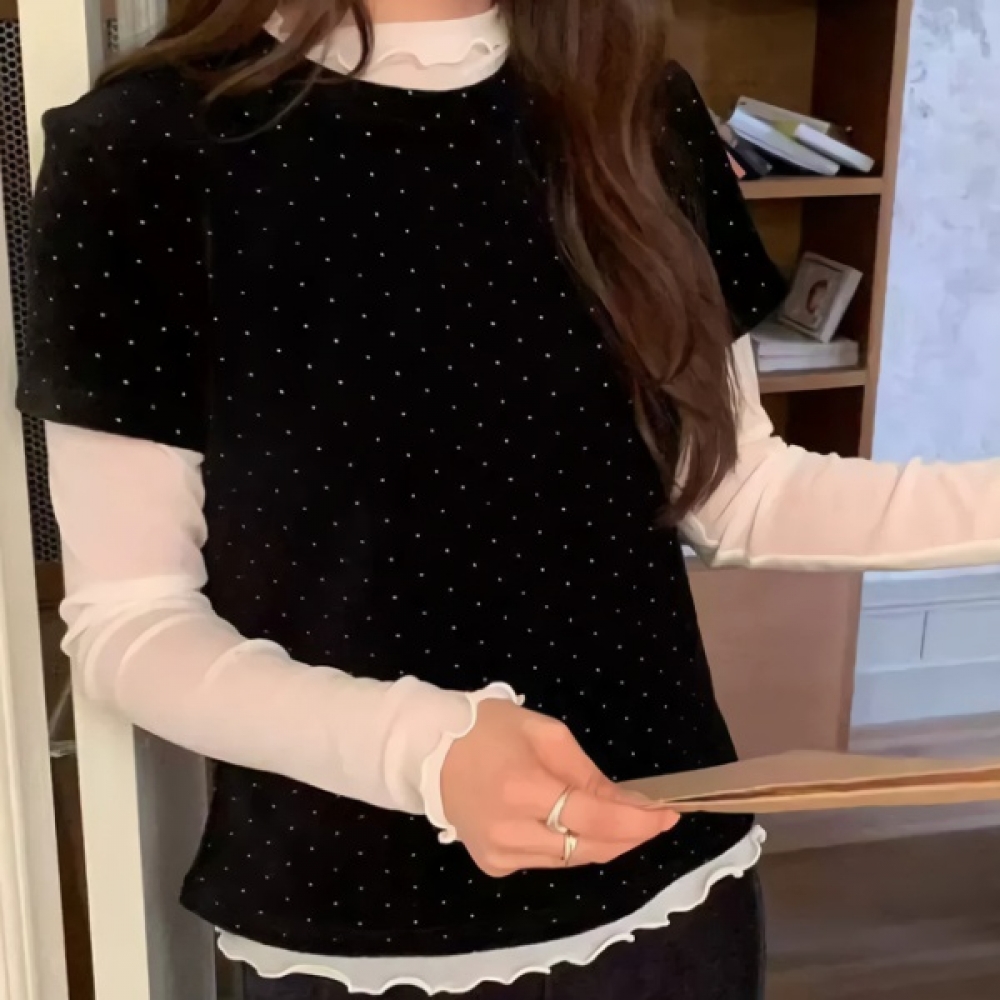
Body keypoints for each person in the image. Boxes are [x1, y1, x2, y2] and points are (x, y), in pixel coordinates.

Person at [18, 2, 1000, 998]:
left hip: (672, 877)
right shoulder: (140, 148)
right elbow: (131, 624)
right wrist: (427, 752)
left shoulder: (639, 106)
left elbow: (739, 491)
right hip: (363, 925)